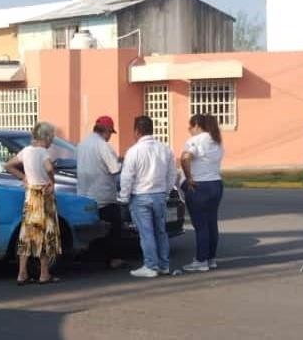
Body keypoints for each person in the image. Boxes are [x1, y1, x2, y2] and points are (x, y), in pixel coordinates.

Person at [118, 116, 177, 278]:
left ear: (137, 131)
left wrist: (123, 197)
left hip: (140, 196)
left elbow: (127, 177)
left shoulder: (134, 151)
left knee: (146, 233)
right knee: (161, 231)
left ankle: (150, 265)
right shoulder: (165, 149)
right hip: (159, 194)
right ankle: (164, 264)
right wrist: (166, 191)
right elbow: (172, 173)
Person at [5, 121, 62, 285]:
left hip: (30, 196)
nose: (52, 140)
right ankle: (44, 273)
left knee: (28, 234)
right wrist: (52, 181)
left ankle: (22, 273)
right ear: (46, 137)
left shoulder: (26, 151)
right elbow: (49, 168)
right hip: (43, 196)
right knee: (45, 234)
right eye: (51, 137)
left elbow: (8, 165)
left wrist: (24, 178)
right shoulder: (43, 152)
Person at [76, 116, 124, 268]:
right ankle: (114, 259)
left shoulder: (82, 144)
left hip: (84, 193)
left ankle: (91, 256)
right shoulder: (103, 145)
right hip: (103, 194)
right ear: (106, 131)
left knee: (92, 227)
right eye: (110, 133)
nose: (110, 136)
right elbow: (115, 169)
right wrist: (124, 161)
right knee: (114, 227)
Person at [180, 114, 225, 273]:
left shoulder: (196, 140)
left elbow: (185, 158)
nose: (189, 130)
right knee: (212, 223)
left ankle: (201, 261)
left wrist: (189, 177)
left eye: (190, 126)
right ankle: (211, 259)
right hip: (216, 184)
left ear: (197, 125)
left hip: (199, 186)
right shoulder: (217, 141)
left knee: (200, 226)